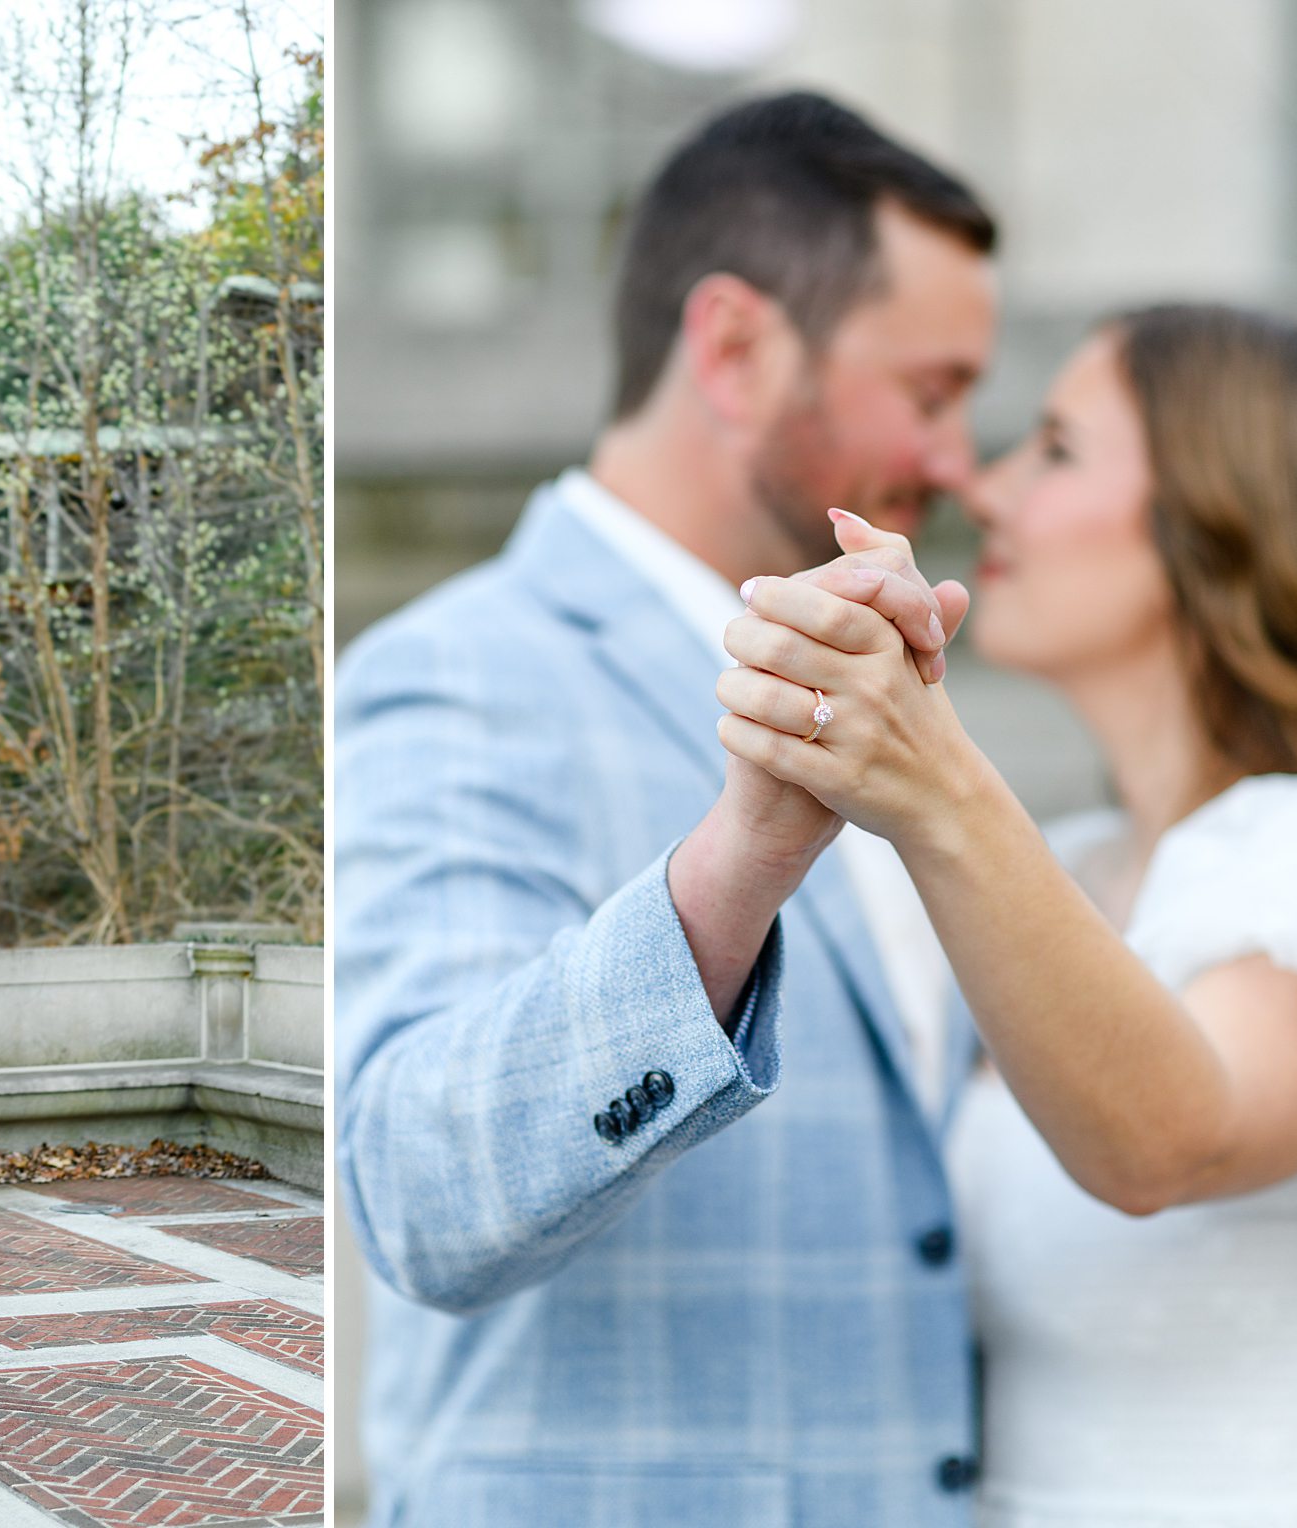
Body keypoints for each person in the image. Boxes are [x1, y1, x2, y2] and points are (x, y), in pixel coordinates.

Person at [336, 92, 995, 1524]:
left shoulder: (898, 692)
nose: (958, 460)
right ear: (737, 349)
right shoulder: (456, 668)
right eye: (930, 391)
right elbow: (414, 1190)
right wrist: (736, 863)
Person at [717, 303, 1297, 1525]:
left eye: (1054, 449)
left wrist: (930, 781)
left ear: (1216, 513)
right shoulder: (1060, 867)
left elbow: (1168, 1139)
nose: (980, 486)